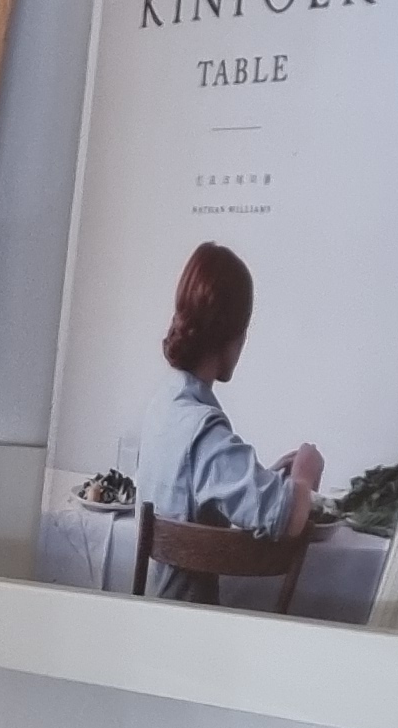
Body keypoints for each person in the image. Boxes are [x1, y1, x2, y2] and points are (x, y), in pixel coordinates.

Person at [132, 240, 320, 599]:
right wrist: (305, 474)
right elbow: (288, 518)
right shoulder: (204, 432)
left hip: (152, 612)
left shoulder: (164, 406)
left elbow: (198, 484)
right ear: (231, 335)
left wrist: (269, 475)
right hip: (194, 622)